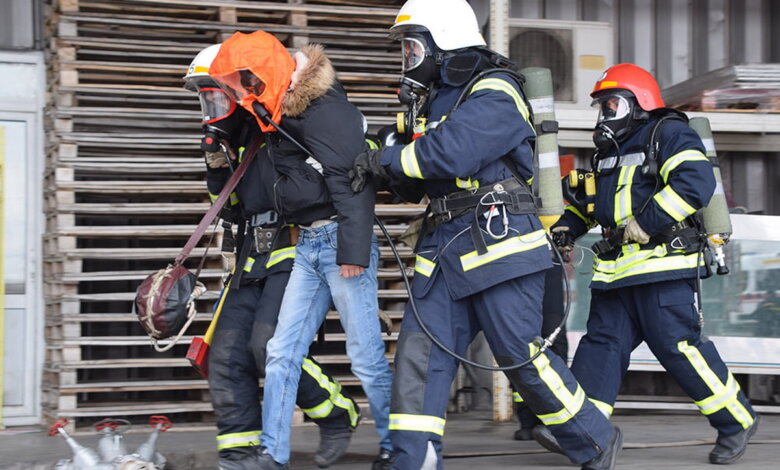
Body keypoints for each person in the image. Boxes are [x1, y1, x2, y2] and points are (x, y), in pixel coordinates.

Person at [350, 1, 622, 469]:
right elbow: (422, 174)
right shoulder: (436, 102)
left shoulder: (497, 90)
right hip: (445, 247)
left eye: (414, 47)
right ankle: (412, 458)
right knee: (419, 356)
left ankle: (595, 439)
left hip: (500, 243)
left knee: (520, 357)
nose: (409, 59)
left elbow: (453, 152)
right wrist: (376, 163)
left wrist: (389, 161)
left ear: (445, 43)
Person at [537, 63, 759, 465]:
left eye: (612, 103)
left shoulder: (669, 134)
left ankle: (737, 421)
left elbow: (694, 181)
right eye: (601, 106)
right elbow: (595, 206)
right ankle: (590, 433)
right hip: (615, 276)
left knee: (679, 349)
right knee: (599, 349)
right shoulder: (608, 154)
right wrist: (568, 228)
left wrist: (646, 222)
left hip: (662, 270)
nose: (605, 113)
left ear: (639, 103)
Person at [208, 31, 394, 470]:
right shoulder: (275, 115)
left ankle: (396, 446)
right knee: (279, 353)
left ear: (268, 73)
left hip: (341, 246)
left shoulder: (328, 112)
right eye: (236, 86)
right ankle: (273, 454)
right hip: (309, 244)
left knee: (366, 357)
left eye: (244, 82)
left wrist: (352, 253)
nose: (241, 93)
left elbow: (355, 188)